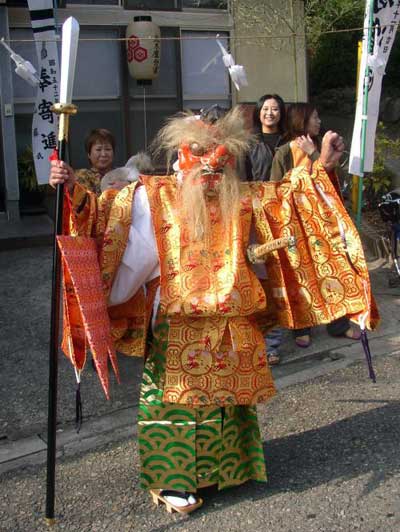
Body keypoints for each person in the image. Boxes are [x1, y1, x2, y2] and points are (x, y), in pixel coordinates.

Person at [50, 108, 376, 514]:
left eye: (218, 156)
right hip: (177, 317)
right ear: (179, 158)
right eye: (199, 153)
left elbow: (289, 203)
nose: (209, 164)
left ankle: (227, 470)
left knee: (228, 400)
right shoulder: (152, 196)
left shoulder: (241, 197)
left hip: (233, 316)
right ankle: (172, 478)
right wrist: (71, 193)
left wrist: (323, 165)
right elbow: (105, 224)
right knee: (178, 401)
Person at [270, 102, 361, 348]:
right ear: (301, 120)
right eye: (315, 117)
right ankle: (302, 326)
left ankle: (338, 323)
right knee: (300, 273)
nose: (319, 122)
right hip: (295, 223)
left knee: (333, 269)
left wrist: (315, 154)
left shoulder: (323, 146)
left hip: (325, 222)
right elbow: (275, 190)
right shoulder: (283, 153)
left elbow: (334, 181)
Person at [245, 94, 287, 365]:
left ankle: (273, 344)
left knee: (278, 277)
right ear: (258, 113)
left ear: (281, 113)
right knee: (257, 276)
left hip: (282, 215)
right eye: (266, 108)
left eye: (275, 109)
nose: (270, 113)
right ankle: (257, 340)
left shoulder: (289, 142)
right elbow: (241, 180)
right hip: (255, 215)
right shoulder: (248, 143)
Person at [75, 128, 116, 195]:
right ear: (89, 154)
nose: (103, 154)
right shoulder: (82, 176)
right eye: (98, 149)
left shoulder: (123, 174)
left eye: (108, 149)